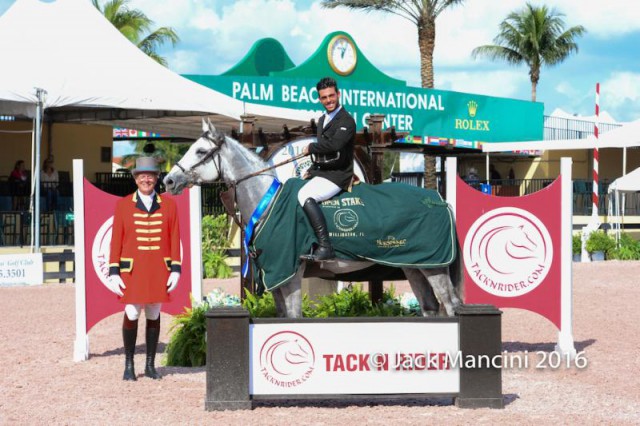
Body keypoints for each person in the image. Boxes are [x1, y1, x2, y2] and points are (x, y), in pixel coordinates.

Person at [106, 156, 181, 381]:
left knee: (154, 313)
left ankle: (150, 365)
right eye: (142, 175)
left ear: (157, 178)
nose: (146, 179)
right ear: (135, 178)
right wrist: (113, 271)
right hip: (133, 270)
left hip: (158, 268)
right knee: (131, 312)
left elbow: (175, 236)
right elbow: (116, 239)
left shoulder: (169, 204)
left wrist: (175, 268)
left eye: (150, 175)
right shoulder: (123, 204)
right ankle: (129, 364)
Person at [299, 77, 356, 261]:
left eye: (332, 96)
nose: (329, 100)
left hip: (339, 176)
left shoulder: (347, 120)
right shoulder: (323, 119)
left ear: (338, 95)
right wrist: (313, 169)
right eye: (324, 97)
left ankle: (325, 246)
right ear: (319, 99)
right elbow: (325, 156)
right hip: (324, 173)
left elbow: (334, 146)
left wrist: (310, 148)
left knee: (305, 196)